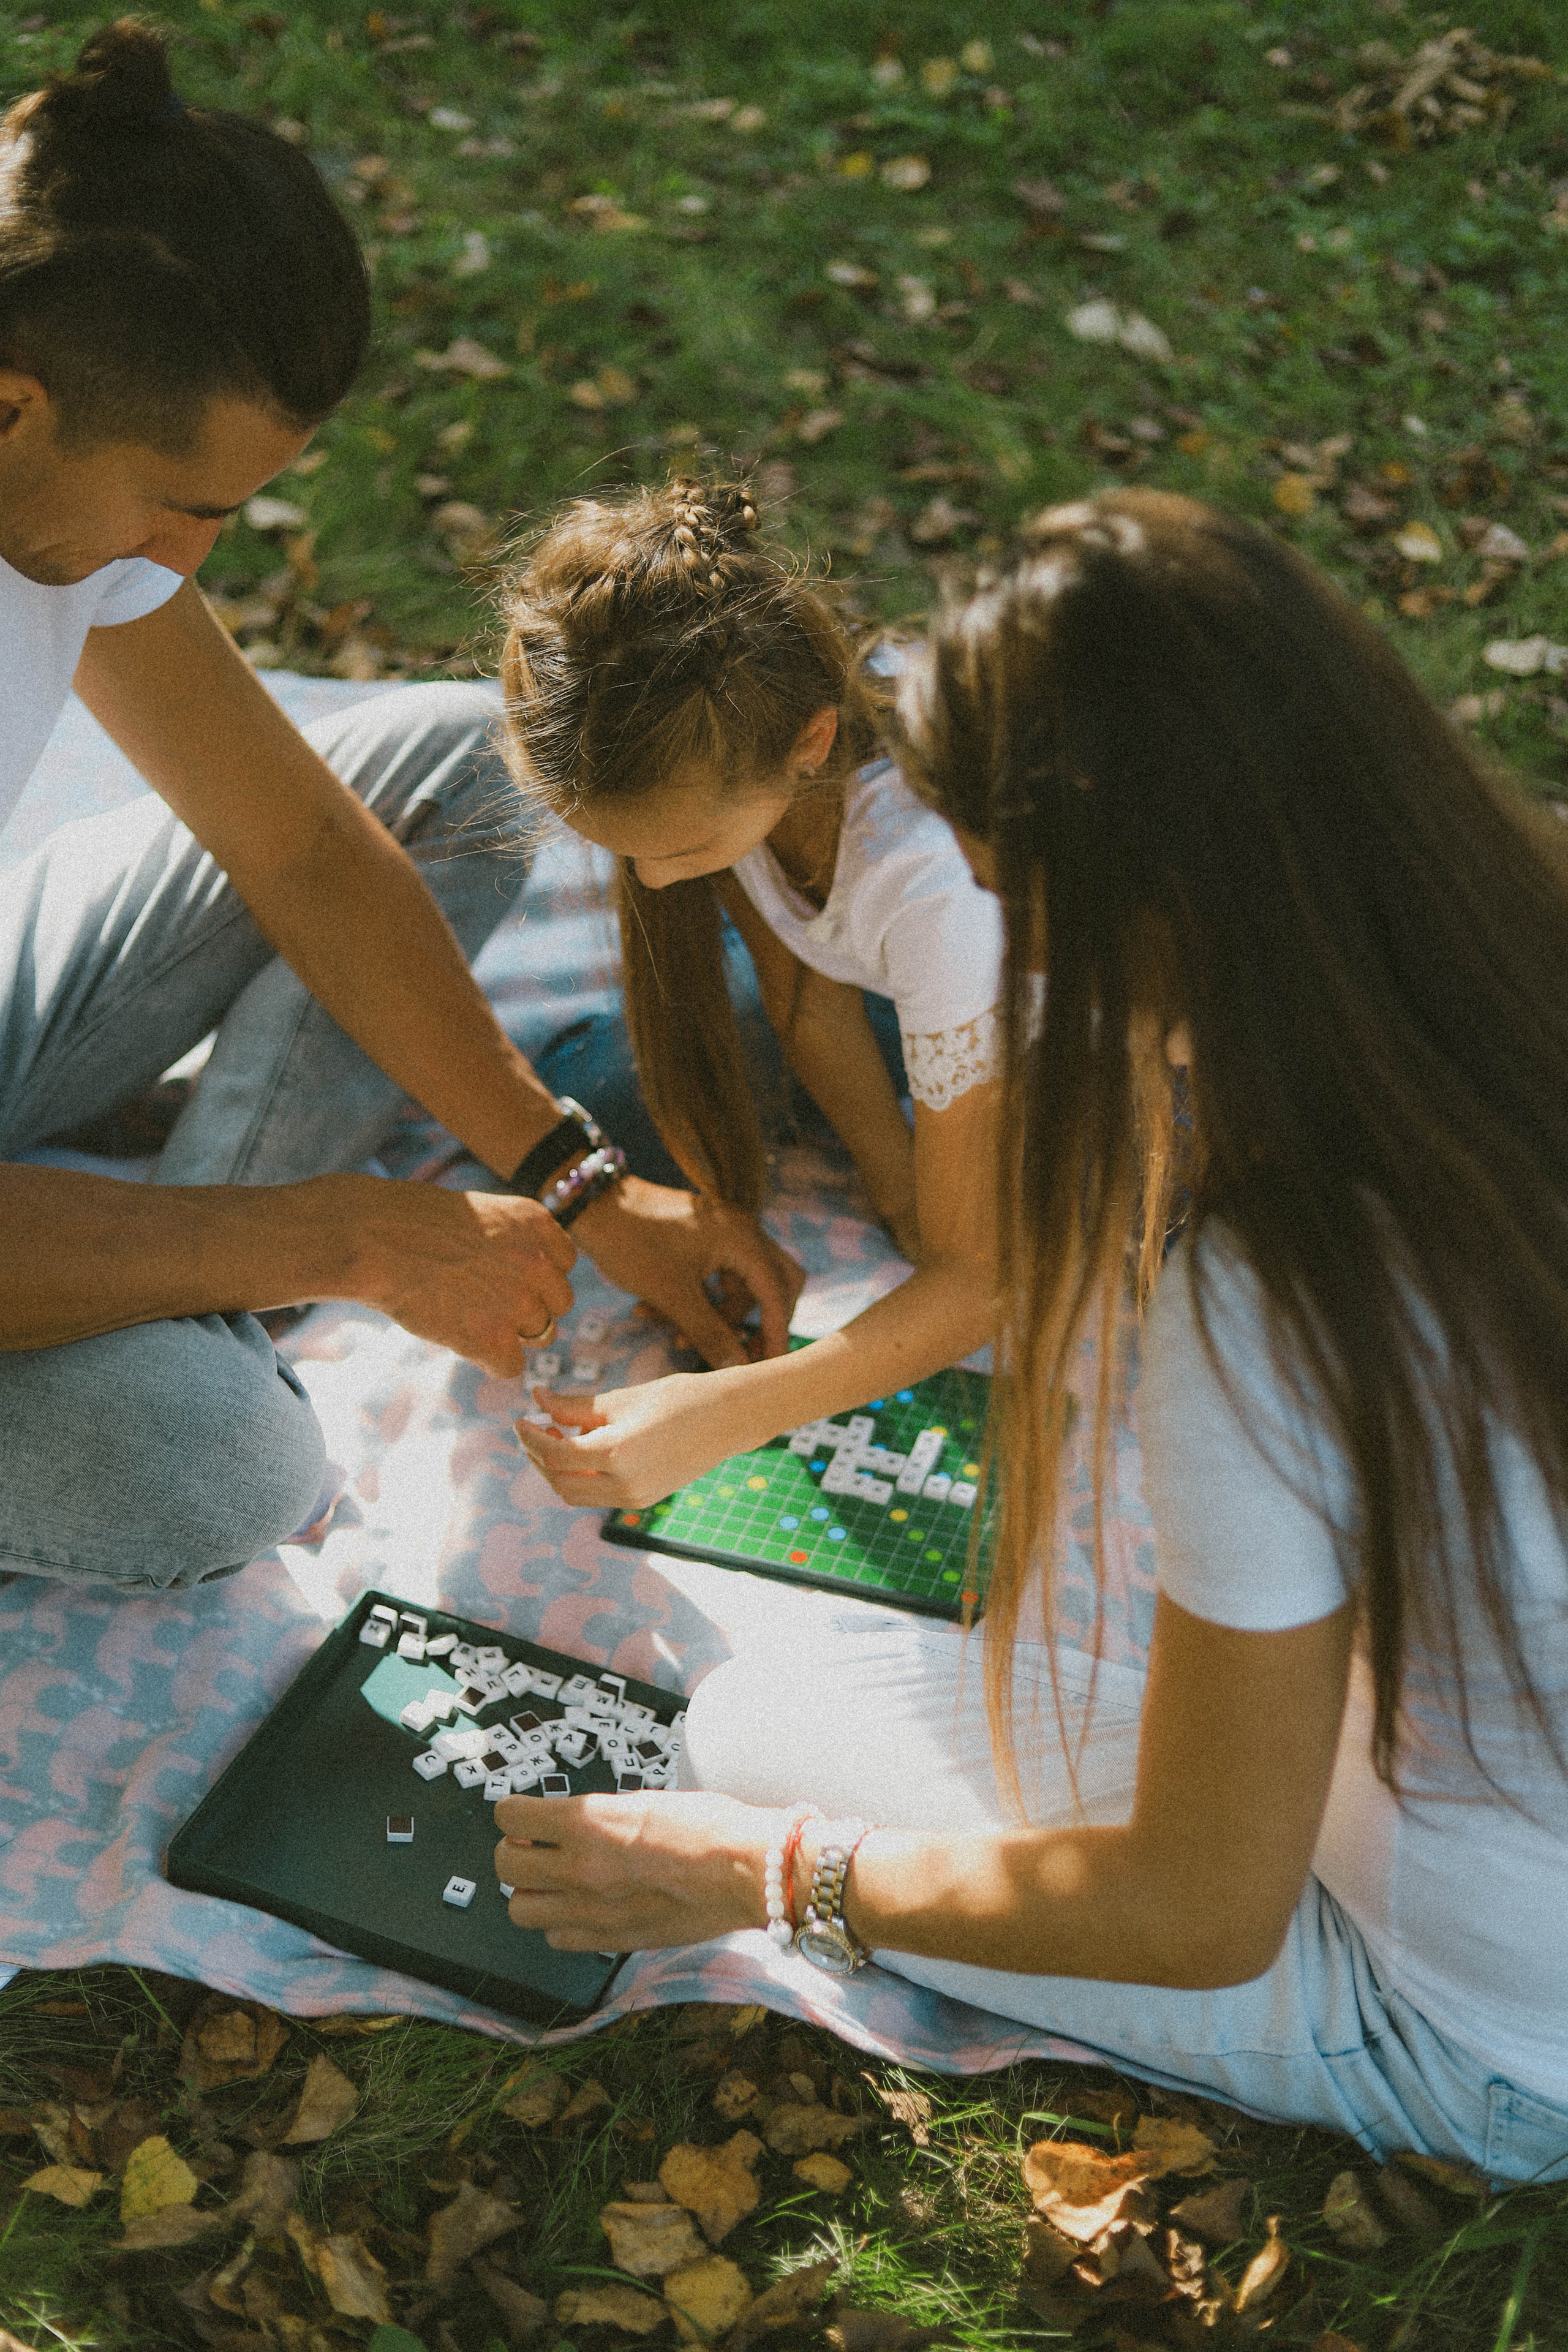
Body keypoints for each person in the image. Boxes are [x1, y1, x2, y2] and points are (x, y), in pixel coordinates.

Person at [494, 490, 1568, 2183]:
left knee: (751, 1737)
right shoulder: (1515, 962)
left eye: (1014, 913)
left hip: (1485, 2035)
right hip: (1456, 1825)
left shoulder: (1268, 1295)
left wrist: (762, 1874)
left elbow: (1198, 1910)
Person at [0, 24, 799, 1596]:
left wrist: (575, 1177)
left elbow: (303, 843)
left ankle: (162, 1289)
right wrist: (344, 1235)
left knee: (455, 769)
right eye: (182, 506)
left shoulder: (61, 507)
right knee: (224, 1465)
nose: (190, 560)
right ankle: (184, 1317)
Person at [501, 477, 1005, 1504]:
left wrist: (735, 1410)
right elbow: (807, 999)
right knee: (611, 1109)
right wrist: (898, 1192)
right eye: (627, 852)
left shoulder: (933, 886)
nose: (655, 884)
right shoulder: (741, 747)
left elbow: (984, 1280)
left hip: (1072, 1013)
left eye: (686, 849)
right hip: (902, 969)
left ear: (809, 747)